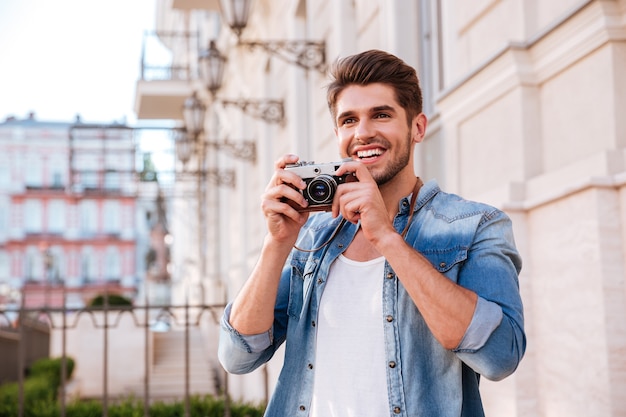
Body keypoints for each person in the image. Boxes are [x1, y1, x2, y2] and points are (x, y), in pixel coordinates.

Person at [218, 49, 525, 417]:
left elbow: (500, 357)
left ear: (418, 127)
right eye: (349, 120)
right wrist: (277, 243)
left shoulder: (476, 225)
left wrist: (387, 238)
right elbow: (237, 356)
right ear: (337, 134)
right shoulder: (314, 237)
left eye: (381, 114)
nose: (363, 133)